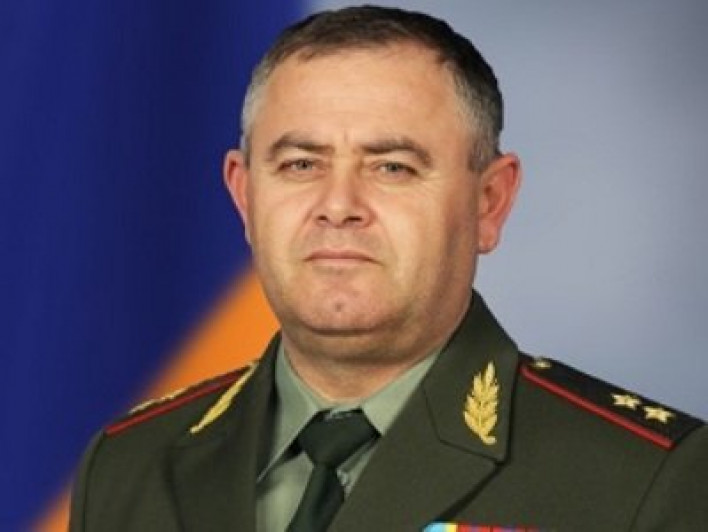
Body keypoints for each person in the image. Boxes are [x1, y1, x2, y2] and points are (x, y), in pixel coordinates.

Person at [69, 6, 707, 531]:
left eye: (392, 167)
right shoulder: (128, 465)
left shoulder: (644, 480)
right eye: (300, 164)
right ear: (244, 196)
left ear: (489, 202)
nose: (338, 205)